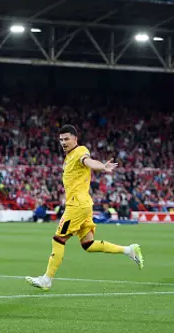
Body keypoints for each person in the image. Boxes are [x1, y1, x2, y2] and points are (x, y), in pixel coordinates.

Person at [25, 124, 144, 291]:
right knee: (88, 244)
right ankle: (128, 250)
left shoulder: (80, 151)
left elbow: (88, 161)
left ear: (75, 139)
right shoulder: (68, 157)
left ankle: (47, 279)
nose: (63, 142)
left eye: (67, 139)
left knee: (58, 239)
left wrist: (102, 166)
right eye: (61, 140)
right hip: (84, 204)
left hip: (76, 206)